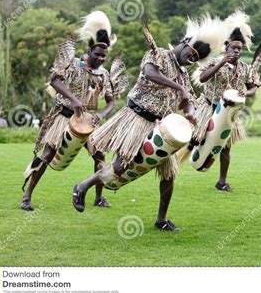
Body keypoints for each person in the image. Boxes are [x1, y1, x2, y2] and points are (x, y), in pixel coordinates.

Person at [72, 15, 225, 231]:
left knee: (169, 175)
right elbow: (150, 73)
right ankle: (81, 186)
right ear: (184, 44)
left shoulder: (183, 76)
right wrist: (178, 88)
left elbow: (187, 101)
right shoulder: (159, 54)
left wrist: (190, 113)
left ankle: (161, 220)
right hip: (136, 118)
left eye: (194, 60)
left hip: (160, 128)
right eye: (190, 55)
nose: (190, 61)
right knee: (122, 165)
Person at [20, 11, 127, 211]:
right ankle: (26, 197)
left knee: (100, 157)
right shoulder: (74, 65)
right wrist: (74, 100)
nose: (101, 59)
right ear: (89, 52)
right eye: (98, 55)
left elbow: (111, 101)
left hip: (88, 122)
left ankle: (98, 197)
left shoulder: (103, 74)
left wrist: (101, 115)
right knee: (47, 155)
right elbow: (54, 81)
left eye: (104, 56)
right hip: (64, 116)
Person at [189, 11, 261, 192]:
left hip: (229, 112)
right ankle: (185, 161)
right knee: (196, 139)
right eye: (233, 48)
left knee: (226, 146)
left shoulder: (246, 68)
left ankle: (222, 181)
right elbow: (203, 79)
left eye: (239, 48)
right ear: (227, 47)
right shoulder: (215, 61)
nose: (236, 51)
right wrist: (222, 63)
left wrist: (246, 94)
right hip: (208, 108)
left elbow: (253, 88)